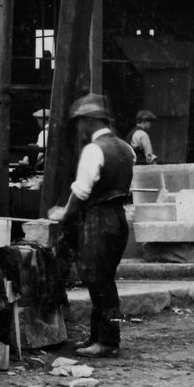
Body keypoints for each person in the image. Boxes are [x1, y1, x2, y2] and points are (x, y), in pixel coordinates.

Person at [48, 93, 134, 358]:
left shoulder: (94, 149)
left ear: (91, 121)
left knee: (99, 281)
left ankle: (107, 342)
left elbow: (82, 191)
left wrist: (64, 213)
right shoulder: (124, 148)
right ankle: (101, 337)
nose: (78, 127)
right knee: (105, 280)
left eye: (80, 121)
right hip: (118, 218)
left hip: (99, 220)